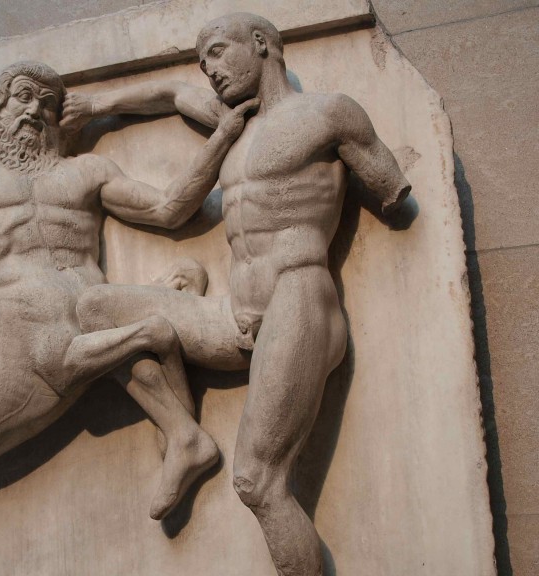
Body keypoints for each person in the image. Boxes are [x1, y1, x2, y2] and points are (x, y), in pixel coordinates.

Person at [0, 60, 257, 576]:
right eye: (22, 98)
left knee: (111, 309)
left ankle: (184, 436)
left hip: (76, 313)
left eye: (47, 103)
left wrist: (224, 136)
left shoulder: (87, 173)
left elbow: (168, 208)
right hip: (14, 323)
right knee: (124, 323)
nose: (34, 110)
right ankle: (181, 429)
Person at [63, 13, 412, 576]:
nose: (211, 73)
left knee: (258, 481)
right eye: (204, 63)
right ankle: (185, 438)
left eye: (220, 54)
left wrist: (386, 182)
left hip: (297, 299)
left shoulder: (328, 114)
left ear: (262, 44)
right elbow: (172, 92)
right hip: (233, 314)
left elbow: (392, 189)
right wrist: (97, 104)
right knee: (96, 309)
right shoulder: (231, 121)